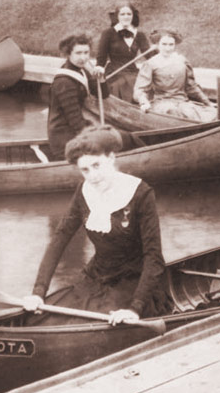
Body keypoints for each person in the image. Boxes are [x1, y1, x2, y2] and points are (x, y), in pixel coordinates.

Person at [21, 127, 170, 326]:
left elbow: (154, 257)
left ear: (111, 158)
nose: (92, 176)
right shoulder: (85, 191)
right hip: (96, 277)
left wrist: (135, 308)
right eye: (85, 170)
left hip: (134, 282)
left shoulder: (140, 193)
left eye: (96, 165)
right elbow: (60, 238)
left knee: (88, 323)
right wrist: (38, 292)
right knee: (40, 319)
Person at [47, 33, 141, 160]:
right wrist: (98, 135)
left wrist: (101, 78)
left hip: (77, 130)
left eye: (86, 52)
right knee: (122, 139)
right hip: (65, 138)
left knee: (127, 137)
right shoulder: (64, 82)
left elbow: (103, 94)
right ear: (68, 54)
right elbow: (75, 121)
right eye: (78, 53)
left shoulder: (81, 71)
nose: (83, 57)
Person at [133, 31, 216, 122]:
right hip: (162, 104)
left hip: (182, 102)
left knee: (210, 113)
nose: (167, 48)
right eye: (164, 44)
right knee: (173, 112)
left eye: (171, 45)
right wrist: (144, 102)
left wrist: (207, 102)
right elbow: (140, 89)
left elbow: (191, 86)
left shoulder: (182, 61)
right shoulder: (151, 64)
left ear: (175, 45)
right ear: (157, 45)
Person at [96, 0, 152, 100]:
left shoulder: (139, 35)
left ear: (133, 16)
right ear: (117, 16)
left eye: (129, 14)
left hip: (132, 71)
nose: (126, 17)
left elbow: (150, 56)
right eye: (122, 14)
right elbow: (101, 57)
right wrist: (99, 68)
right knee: (122, 84)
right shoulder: (108, 33)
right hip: (114, 71)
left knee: (140, 83)